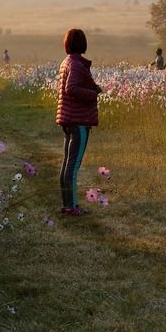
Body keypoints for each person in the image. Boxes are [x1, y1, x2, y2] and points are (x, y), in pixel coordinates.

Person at [56, 28, 101, 217]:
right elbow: (72, 88)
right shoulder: (75, 64)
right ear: (82, 44)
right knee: (73, 165)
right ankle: (71, 207)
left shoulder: (68, 62)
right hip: (78, 120)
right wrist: (93, 93)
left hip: (69, 119)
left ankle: (67, 205)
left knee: (68, 163)